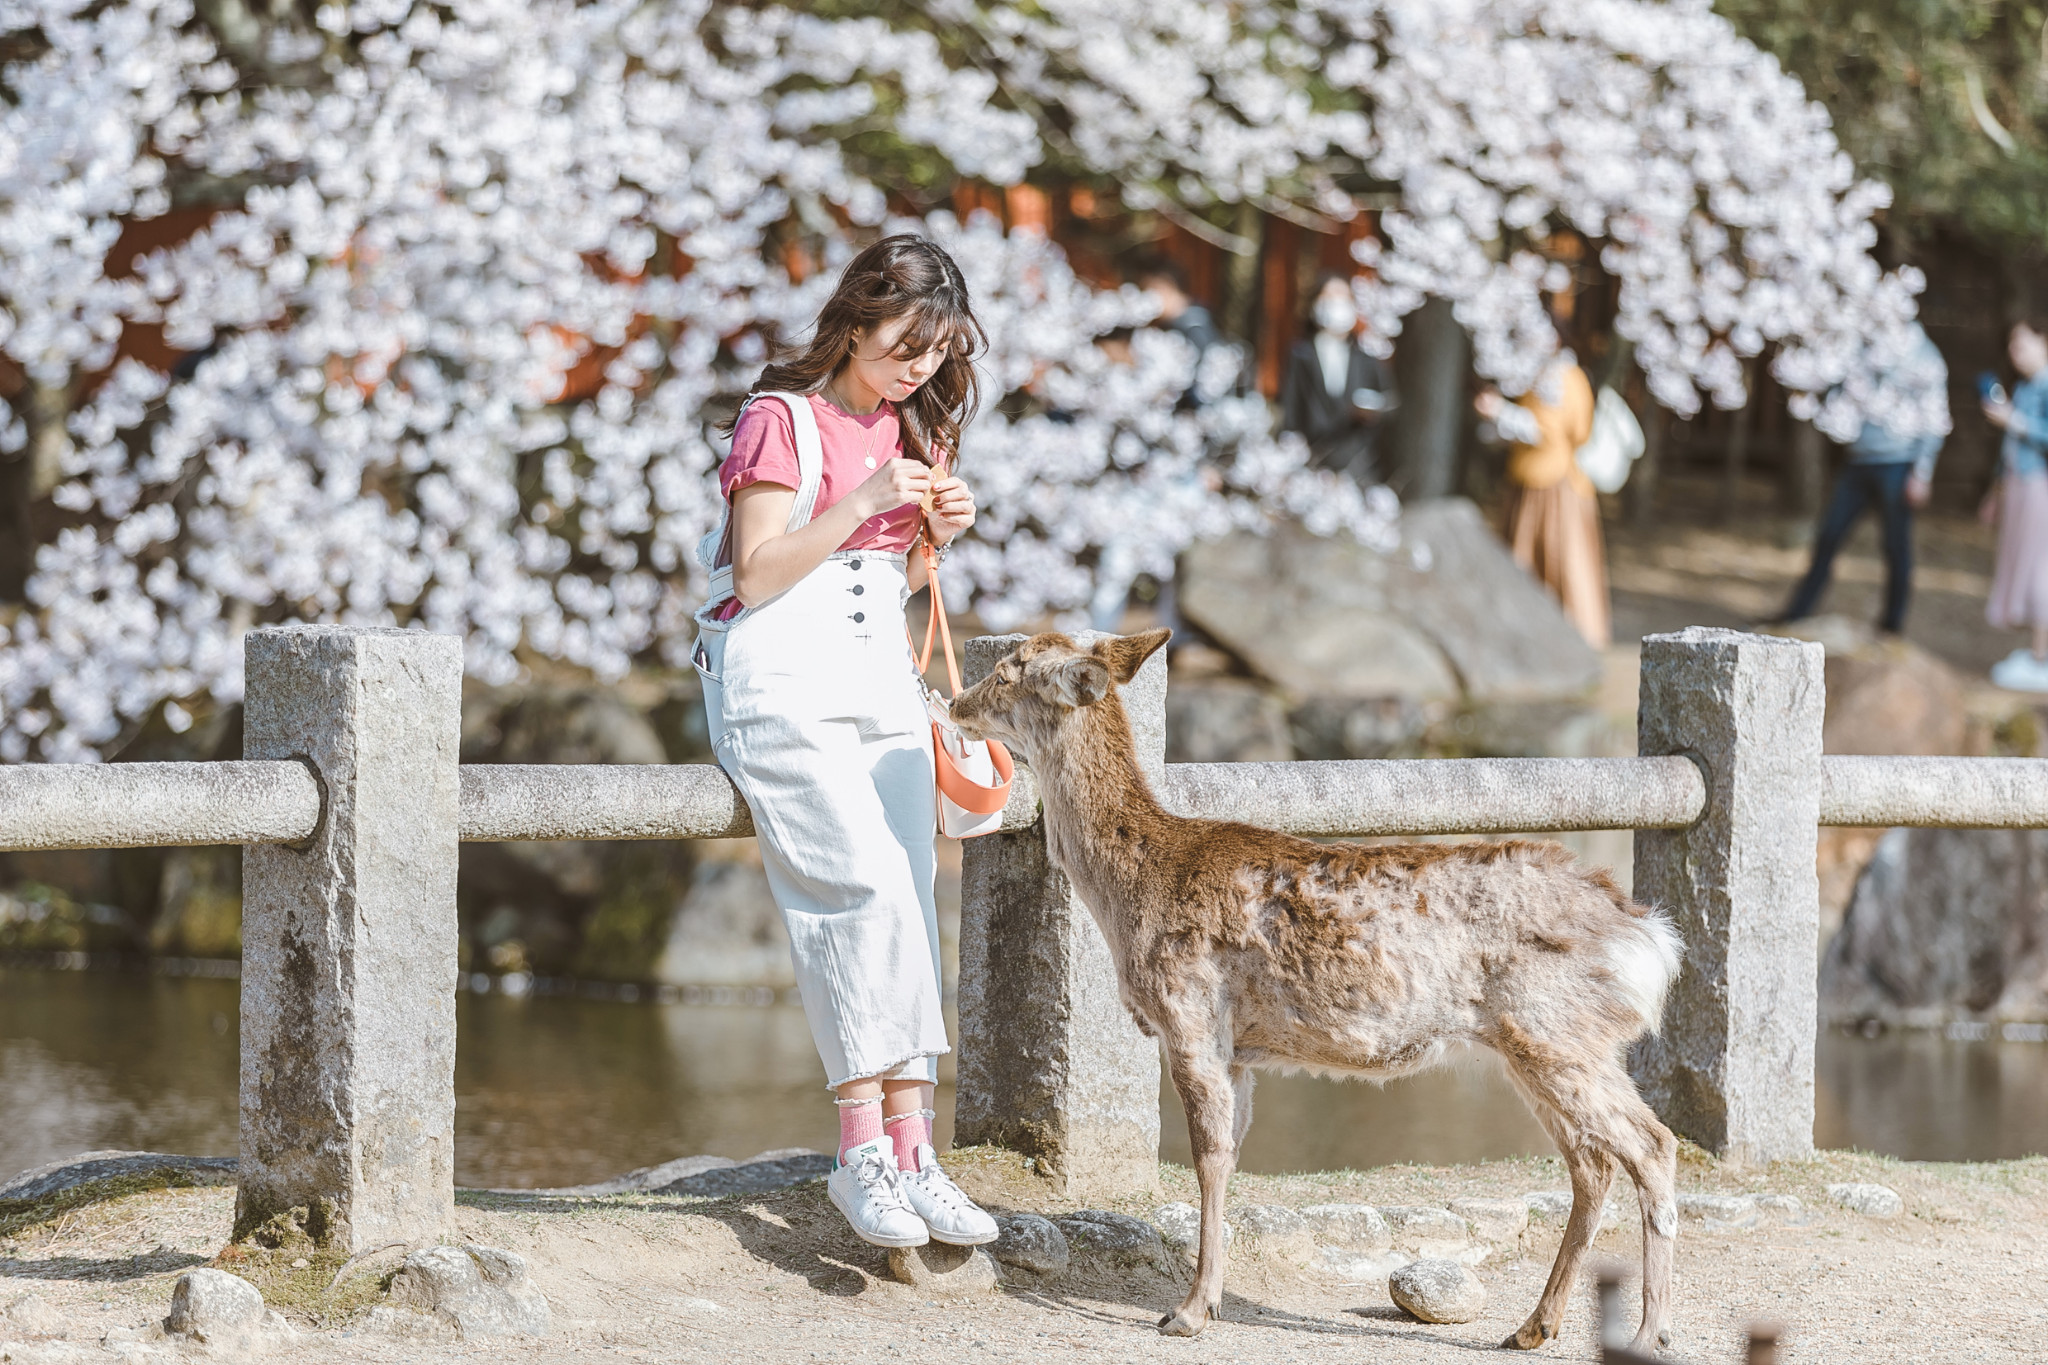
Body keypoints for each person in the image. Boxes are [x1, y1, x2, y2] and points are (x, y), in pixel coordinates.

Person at [693, 235, 999, 1249]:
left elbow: (890, 589)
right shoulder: (780, 419)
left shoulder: (915, 422)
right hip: (780, 683)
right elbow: (758, 572)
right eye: (903, 341)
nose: (917, 365)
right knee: (857, 891)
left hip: (879, 683)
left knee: (909, 898)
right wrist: (867, 501)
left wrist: (933, 539)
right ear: (855, 319)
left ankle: (913, 1150)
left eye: (937, 348)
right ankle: (858, 1150)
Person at [1775, 321, 1947, 635]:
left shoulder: (1924, 355)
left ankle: (1892, 625)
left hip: (1898, 463)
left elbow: (1935, 419)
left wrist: (1922, 472)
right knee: (1828, 536)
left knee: (1896, 547)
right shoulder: (1859, 344)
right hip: (1857, 462)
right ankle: (1796, 613)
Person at [1476, 353, 1609, 649]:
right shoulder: (1537, 372)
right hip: (1530, 481)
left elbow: (1546, 431)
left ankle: (1568, 635)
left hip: (1554, 486)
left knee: (1560, 561)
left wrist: (1499, 412)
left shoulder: (1562, 376)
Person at [1279, 273, 1398, 485]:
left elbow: (1389, 401)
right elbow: (1290, 408)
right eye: (1329, 296)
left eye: (1343, 296)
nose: (1336, 303)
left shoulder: (1366, 358)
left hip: (1357, 464)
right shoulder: (1300, 355)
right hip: (1311, 462)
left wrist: (1371, 412)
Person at [1981, 317, 2048, 690]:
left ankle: (2041, 659)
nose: (2014, 352)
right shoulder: (2025, 387)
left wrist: (2014, 420)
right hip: (2019, 485)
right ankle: (2037, 653)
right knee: (2025, 566)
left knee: (2040, 571)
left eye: (2022, 344)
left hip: (2040, 486)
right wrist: (1995, 494)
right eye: (2011, 345)